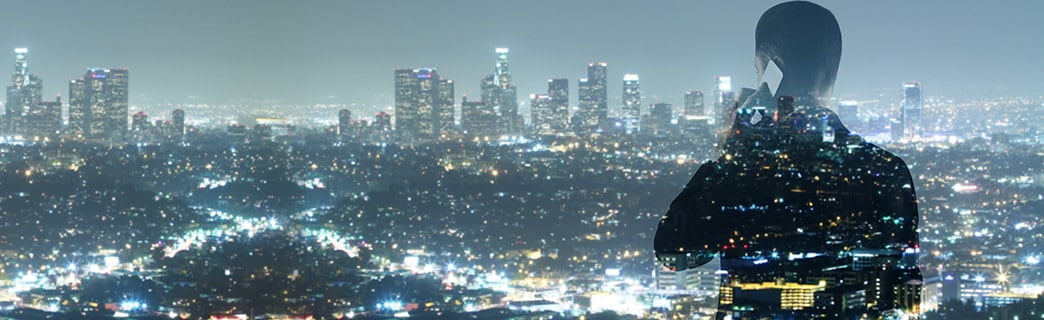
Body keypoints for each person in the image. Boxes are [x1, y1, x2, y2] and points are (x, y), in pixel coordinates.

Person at [654, 2, 922, 318]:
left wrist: (732, 157)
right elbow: (903, 296)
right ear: (831, 68)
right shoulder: (886, 170)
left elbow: (675, 250)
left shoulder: (746, 171)